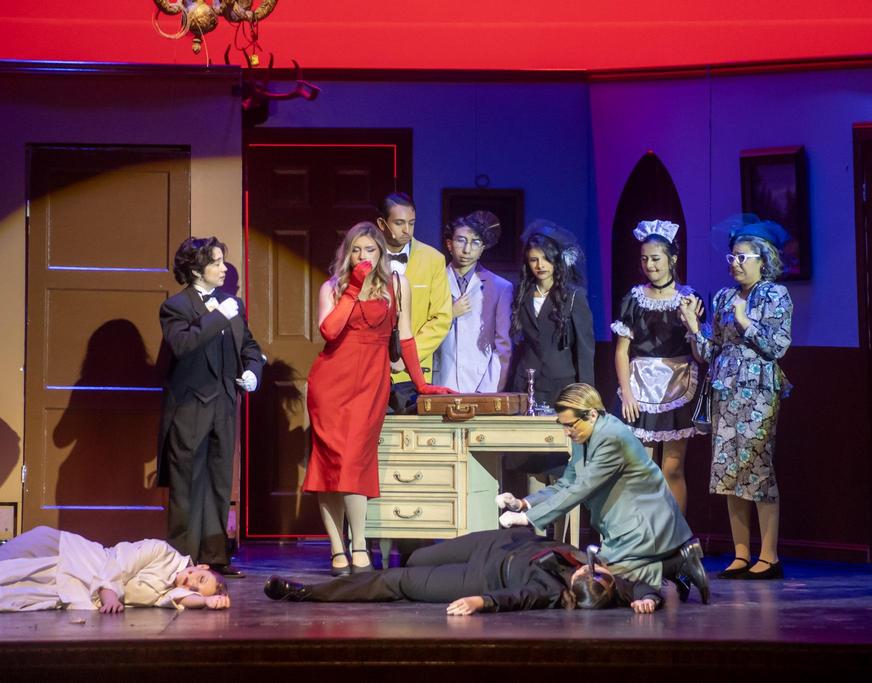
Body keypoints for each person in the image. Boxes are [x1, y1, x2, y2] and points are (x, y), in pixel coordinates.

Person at [303, 222, 453, 576]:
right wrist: (354, 288)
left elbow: (407, 337)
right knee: (329, 467)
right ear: (347, 253)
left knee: (354, 462)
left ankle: (359, 544)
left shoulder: (396, 285)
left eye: (369, 250)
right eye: (356, 250)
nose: (363, 256)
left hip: (371, 385)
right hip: (331, 386)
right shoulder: (333, 287)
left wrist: (421, 384)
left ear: (381, 253)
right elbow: (329, 331)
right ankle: (338, 549)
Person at [497, 383, 709, 603]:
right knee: (599, 573)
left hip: (647, 523)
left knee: (604, 575)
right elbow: (567, 483)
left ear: (591, 415)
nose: (566, 432)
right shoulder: (584, 436)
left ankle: (676, 564)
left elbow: (582, 488)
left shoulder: (611, 438)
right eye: (563, 425)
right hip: (624, 525)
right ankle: (677, 565)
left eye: (570, 425)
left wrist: (528, 518)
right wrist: (524, 504)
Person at [678, 216, 793, 580]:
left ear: (763, 259)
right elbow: (709, 351)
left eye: (743, 257)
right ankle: (741, 553)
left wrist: (745, 322)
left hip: (758, 390)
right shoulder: (724, 297)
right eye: (732, 257)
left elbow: (777, 346)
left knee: (757, 466)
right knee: (730, 470)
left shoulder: (775, 295)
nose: (735, 264)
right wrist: (694, 328)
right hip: (725, 390)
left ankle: (769, 556)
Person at [157, 236, 264, 578]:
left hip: (224, 405)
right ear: (195, 270)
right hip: (191, 408)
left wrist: (252, 371)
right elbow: (182, 344)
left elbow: (249, 346)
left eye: (222, 261)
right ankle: (182, 562)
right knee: (188, 485)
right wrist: (217, 316)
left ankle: (216, 556)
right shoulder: (176, 307)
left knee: (219, 482)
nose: (223, 268)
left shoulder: (232, 304)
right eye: (215, 263)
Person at [263, 527, 663, 614]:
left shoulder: (548, 590)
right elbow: (644, 588)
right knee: (415, 557)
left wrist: (479, 601)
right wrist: (648, 600)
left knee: (398, 580)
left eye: (587, 574)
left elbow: (514, 598)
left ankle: (306, 592)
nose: (590, 568)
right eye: (596, 570)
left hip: (479, 578)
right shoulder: (607, 580)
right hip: (494, 543)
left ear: (577, 587)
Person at [613, 220, 702, 514]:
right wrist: (627, 393)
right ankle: (645, 533)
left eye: (655, 258)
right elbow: (622, 351)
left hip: (678, 385)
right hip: (640, 386)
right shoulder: (634, 298)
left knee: (672, 468)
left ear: (672, 259)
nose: (649, 265)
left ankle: (676, 534)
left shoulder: (689, 297)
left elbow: (700, 355)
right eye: (644, 259)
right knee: (643, 470)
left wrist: (692, 324)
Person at [0, 525, 230, 612]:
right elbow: (118, 561)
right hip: (62, 553)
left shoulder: (166, 594)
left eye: (195, 588)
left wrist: (206, 601)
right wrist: (109, 594)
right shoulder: (162, 551)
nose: (190, 582)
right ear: (201, 565)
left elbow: (181, 599)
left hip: (71, 590)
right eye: (199, 577)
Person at [378, 192, 453, 409]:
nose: (407, 230)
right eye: (399, 223)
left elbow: (441, 318)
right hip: (372, 368)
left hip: (414, 372)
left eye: (411, 223)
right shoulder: (367, 256)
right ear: (382, 224)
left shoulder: (433, 259)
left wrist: (405, 358)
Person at [509, 221, 594, 405]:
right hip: (525, 381)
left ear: (556, 259)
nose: (540, 265)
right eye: (534, 260)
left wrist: (586, 395)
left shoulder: (573, 296)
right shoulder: (521, 294)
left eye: (546, 258)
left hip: (561, 384)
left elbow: (584, 350)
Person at [433, 211, 514, 392]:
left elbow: (502, 346)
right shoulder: (434, 282)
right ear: (449, 244)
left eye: (475, 242)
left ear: (482, 248)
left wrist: (488, 390)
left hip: (481, 382)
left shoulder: (500, 287)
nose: (467, 250)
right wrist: (449, 313)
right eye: (461, 241)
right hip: (440, 380)